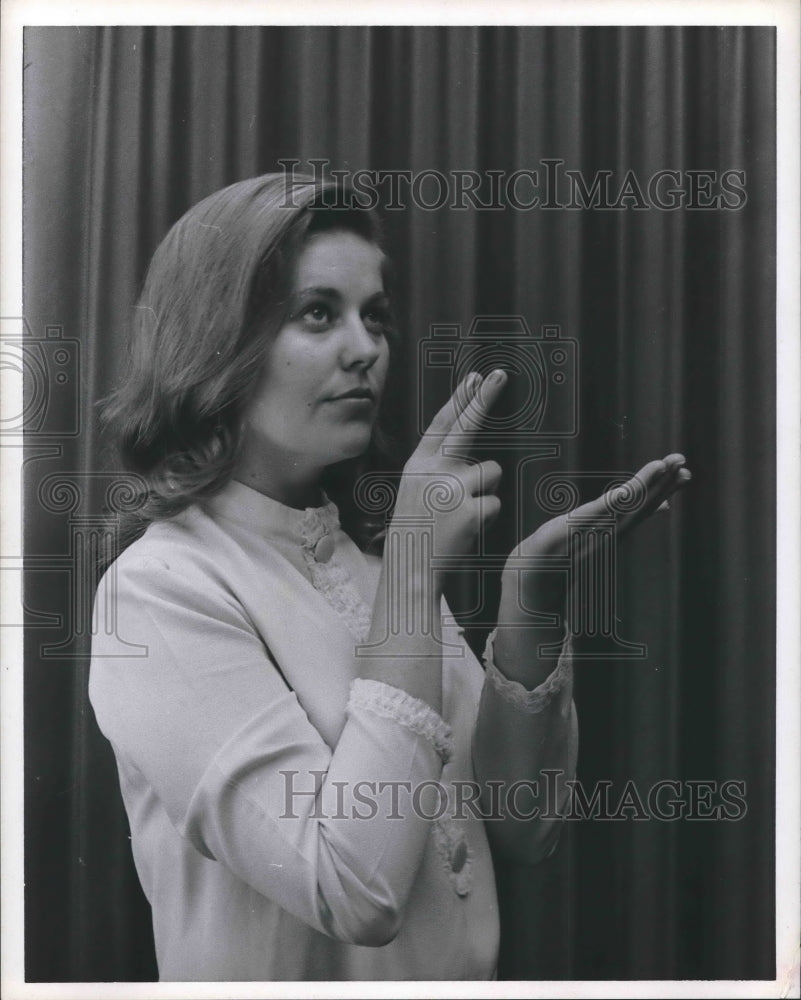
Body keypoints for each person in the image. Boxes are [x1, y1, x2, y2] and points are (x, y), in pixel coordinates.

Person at [89, 172, 691, 982]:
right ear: (217, 340)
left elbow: (525, 823)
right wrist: (413, 562)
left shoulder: (369, 562)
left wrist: (529, 608)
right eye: (318, 313)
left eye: (374, 316)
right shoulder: (161, 589)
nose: (365, 347)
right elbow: (351, 887)